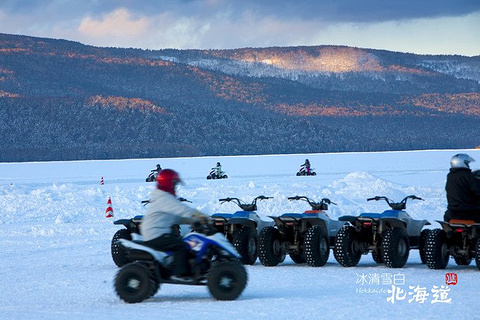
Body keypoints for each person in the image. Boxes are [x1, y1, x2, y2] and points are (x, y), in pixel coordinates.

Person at [140, 169, 209, 280]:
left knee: (186, 242)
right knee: (181, 246)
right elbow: (181, 209)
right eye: (174, 183)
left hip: (158, 232)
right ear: (168, 183)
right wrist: (199, 216)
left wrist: (191, 221)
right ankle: (180, 274)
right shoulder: (164, 197)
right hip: (155, 234)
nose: (175, 186)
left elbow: (175, 217)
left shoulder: (163, 197)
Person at [444, 154, 480, 223]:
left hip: (452, 212)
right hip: (470, 213)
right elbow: (478, 191)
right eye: (467, 163)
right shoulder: (469, 177)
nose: (468, 165)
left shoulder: (450, 176)